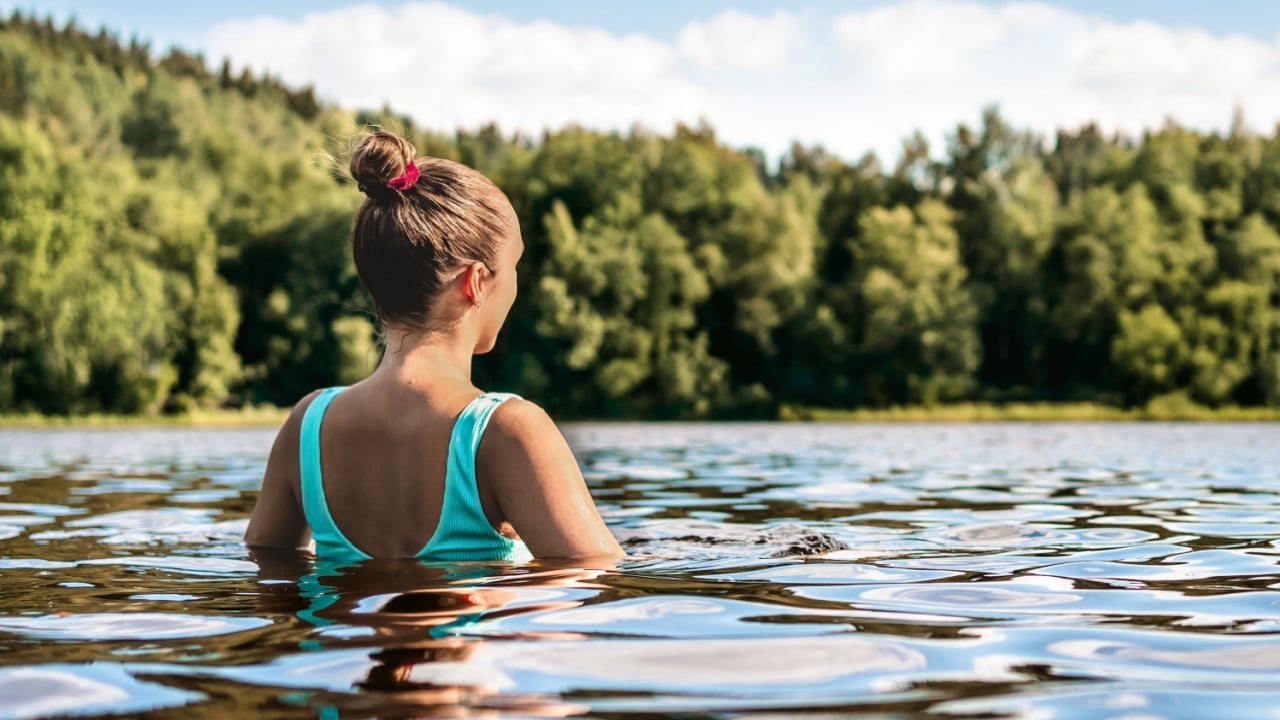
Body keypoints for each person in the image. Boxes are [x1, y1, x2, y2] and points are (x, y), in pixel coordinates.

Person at [245, 131, 623, 562]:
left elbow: (268, 567)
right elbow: (595, 579)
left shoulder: (306, 426)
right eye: (514, 266)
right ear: (475, 282)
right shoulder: (508, 431)